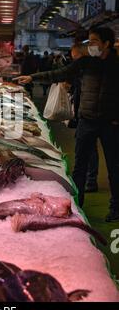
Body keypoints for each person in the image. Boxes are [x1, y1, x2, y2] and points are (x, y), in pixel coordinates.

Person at [18, 27, 119, 222]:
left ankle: (116, 207)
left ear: (106, 43)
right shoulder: (86, 63)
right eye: (89, 42)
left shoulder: (116, 65)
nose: (90, 46)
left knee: (114, 167)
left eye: (94, 42)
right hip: (87, 121)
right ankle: (76, 203)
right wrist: (33, 77)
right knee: (79, 165)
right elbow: (60, 73)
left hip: (110, 124)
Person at [68, 43, 99, 193]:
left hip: (92, 117)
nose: (74, 61)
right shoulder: (81, 70)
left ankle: (91, 180)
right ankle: (79, 188)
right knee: (82, 155)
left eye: (76, 57)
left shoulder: (93, 69)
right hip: (83, 115)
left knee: (90, 151)